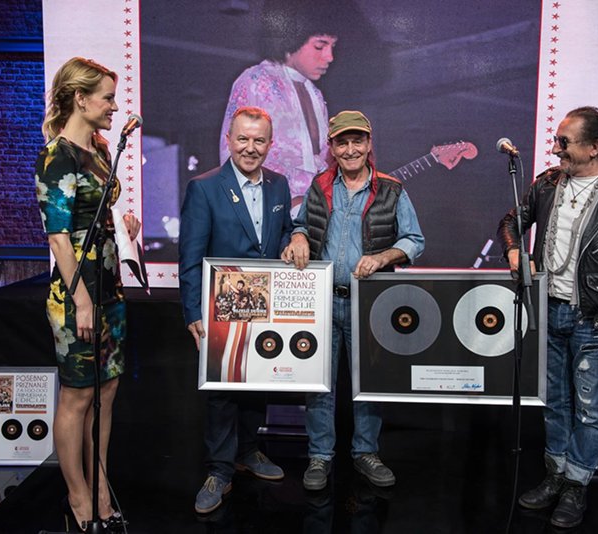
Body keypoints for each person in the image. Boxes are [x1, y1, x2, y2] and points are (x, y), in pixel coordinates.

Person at [497, 106, 598, 528]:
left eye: (564, 142)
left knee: (589, 410)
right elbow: (511, 221)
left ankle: (577, 485)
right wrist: (514, 251)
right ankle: (556, 475)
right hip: (549, 311)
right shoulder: (548, 184)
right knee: (555, 402)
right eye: (557, 140)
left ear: (594, 147)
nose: (557, 150)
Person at [282, 110, 425, 491]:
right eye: (342, 143)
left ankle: (365, 452)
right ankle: (319, 456)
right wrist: (298, 237)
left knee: (368, 381)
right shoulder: (319, 185)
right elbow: (301, 224)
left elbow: (414, 240)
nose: (350, 150)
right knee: (319, 385)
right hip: (323, 300)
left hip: (369, 302)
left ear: (369, 144)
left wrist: (383, 257)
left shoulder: (392, 189)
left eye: (357, 141)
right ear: (331, 148)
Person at [35, 57, 140, 532]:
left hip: (109, 289)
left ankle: (100, 487)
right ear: (80, 99)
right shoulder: (57, 157)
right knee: (77, 397)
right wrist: (81, 301)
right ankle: (78, 498)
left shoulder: (97, 148)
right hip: (76, 296)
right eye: (107, 98)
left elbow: (98, 215)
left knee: (107, 391)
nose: (114, 106)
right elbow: (59, 239)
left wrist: (125, 227)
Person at [179, 106, 294, 514]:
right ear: (228, 140)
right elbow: (190, 257)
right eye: (243, 139)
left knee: (258, 380)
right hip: (221, 305)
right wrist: (193, 312)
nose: (250, 147)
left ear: (270, 144)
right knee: (223, 391)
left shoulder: (280, 185)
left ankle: (248, 451)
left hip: (267, 303)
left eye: (259, 140)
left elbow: (285, 231)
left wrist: (295, 238)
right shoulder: (205, 187)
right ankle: (219, 470)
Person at [219, 5, 340, 204]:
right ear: (292, 39)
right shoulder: (256, 81)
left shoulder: (317, 96)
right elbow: (234, 159)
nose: (330, 57)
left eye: (332, 47)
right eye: (320, 46)